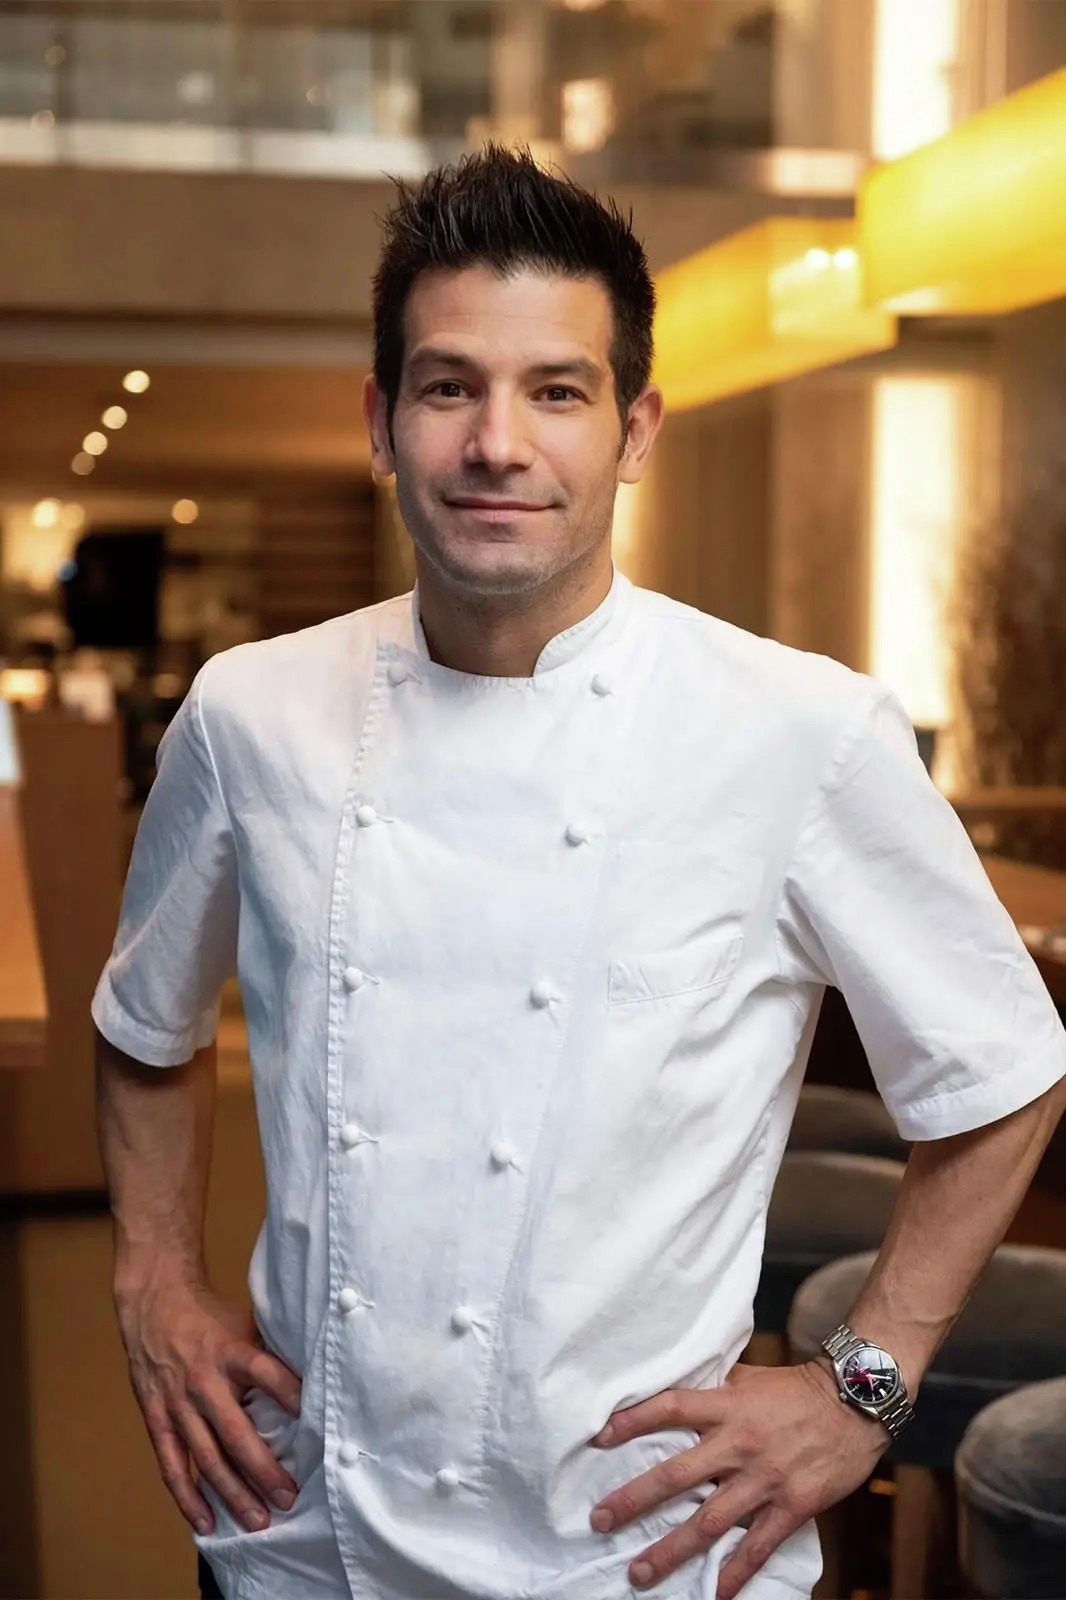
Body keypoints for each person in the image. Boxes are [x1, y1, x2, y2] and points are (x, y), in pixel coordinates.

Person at [92, 145, 1066, 1600]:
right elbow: (146, 1027)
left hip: (641, 1541)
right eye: (447, 387)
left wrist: (862, 1387)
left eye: (556, 390)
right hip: (305, 1528)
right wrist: (153, 1282)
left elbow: (1004, 1068)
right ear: (379, 421)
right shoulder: (250, 712)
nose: (498, 443)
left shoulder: (796, 730)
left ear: (633, 430)